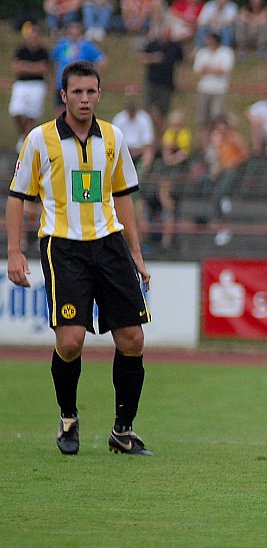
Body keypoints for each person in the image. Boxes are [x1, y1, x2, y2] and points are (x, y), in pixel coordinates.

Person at [6, 61, 153, 457]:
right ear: (63, 96)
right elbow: (18, 197)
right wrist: (15, 251)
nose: (85, 99)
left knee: (132, 338)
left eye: (91, 92)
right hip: (63, 246)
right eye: (77, 92)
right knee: (70, 342)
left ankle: (123, 430)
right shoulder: (39, 140)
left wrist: (136, 253)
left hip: (109, 244)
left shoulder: (113, 137)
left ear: (100, 95)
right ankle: (68, 417)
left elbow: (122, 194)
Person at [200, 114, 249, 246]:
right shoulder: (217, 140)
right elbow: (216, 158)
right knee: (206, 181)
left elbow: (243, 155)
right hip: (222, 170)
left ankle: (224, 199)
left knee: (224, 184)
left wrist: (228, 164)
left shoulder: (235, 138)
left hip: (233, 169)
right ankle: (217, 212)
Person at [150, 109, 192, 251]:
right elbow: (168, 153)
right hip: (169, 174)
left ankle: (166, 243)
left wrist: (172, 159)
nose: (175, 127)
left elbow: (183, 154)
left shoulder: (185, 134)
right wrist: (172, 158)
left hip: (179, 174)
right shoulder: (169, 133)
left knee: (168, 211)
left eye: (178, 124)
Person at [50, 21, 107, 117]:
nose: (74, 31)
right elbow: (51, 61)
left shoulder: (86, 45)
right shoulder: (62, 44)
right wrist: (53, 78)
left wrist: (95, 79)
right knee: (60, 112)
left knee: (78, 112)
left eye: (76, 28)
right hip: (62, 84)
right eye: (72, 28)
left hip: (80, 86)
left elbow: (102, 61)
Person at [9, 22, 50, 154]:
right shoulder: (21, 50)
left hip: (37, 85)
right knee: (16, 112)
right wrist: (34, 67)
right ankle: (23, 136)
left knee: (32, 114)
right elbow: (16, 67)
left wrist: (25, 67)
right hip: (22, 84)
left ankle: (26, 141)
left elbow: (43, 69)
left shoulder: (43, 51)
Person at [140, 23, 185, 139]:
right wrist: (153, 58)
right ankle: (163, 133)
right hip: (152, 81)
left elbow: (181, 64)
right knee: (150, 108)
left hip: (167, 83)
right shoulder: (153, 44)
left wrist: (180, 80)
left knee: (164, 111)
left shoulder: (175, 46)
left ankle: (161, 138)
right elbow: (142, 58)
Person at [193, 31, 235, 149]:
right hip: (204, 89)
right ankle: (206, 149)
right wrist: (214, 69)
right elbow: (198, 71)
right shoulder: (202, 53)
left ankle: (216, 147)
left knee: (217, 119)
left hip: (219, 90)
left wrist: (209, 69)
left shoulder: (226, 53)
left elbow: (225, 70)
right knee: (204, 121)